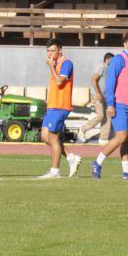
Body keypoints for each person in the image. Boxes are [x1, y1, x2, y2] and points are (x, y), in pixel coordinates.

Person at [91, 31, 128, 180]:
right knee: (121, 136)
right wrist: (111, 104)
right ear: (124, 44)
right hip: (119, 104)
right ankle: (97, 162)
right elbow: (110, 83)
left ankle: (126, 172)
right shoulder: (118, 60)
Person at [38, 37, 83, 179]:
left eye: (53, 50)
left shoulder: (66, 63)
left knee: (54, 137)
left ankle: (54, 171)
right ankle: (71, 157)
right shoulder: (56, 63)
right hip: (52, 105)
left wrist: (50, 66)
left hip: (60, 105)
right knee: (45, 137)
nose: (50, 53)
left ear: (60, 50)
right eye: (48, 51)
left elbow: (59, 82)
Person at [79, 52, 114, 143]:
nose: (114, 61)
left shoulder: (111, 70)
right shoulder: (102, 68)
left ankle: (103, 138)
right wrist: (98, 93)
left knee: (108, 116)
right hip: (98, 96)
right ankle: (82, 130)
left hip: (107, 97)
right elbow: (93, 79)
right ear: (106, 60)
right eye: (112, 59)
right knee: (101, 115)